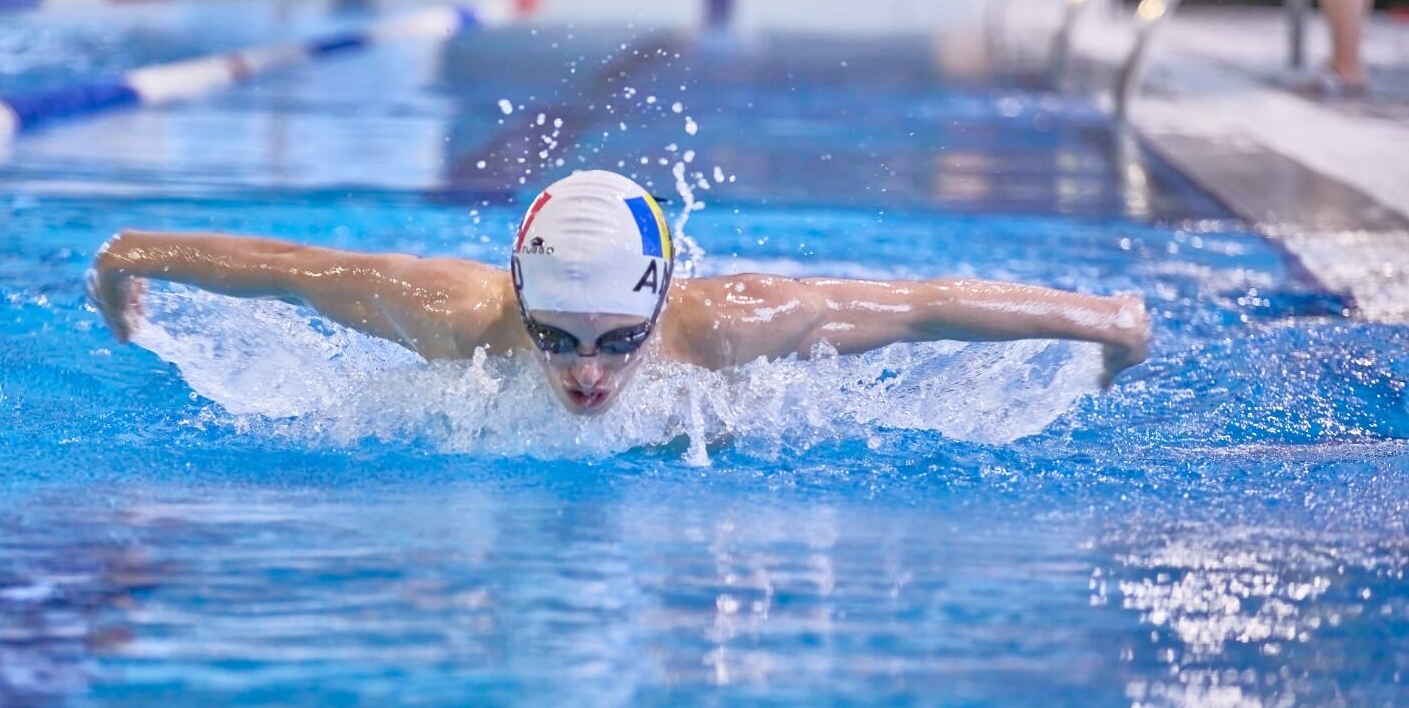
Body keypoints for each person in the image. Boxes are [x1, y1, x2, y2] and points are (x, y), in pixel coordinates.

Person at [88, 170, 1150, 415]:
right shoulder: (458, 314)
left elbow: (923, 302)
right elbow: (274, 268)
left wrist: (1102, 323)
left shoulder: (729, 328)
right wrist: (126, 256)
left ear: (659, 303)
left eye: (612, 340)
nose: (586, 373)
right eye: (555, 337)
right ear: (517, 299)